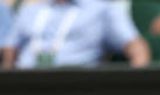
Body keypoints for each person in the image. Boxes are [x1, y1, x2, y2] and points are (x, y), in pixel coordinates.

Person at [1, 0, 150, 69]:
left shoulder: (103, 10)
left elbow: (137, 49)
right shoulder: (31, 10)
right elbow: (10, 51)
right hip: (25, 85)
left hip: (75, 88)